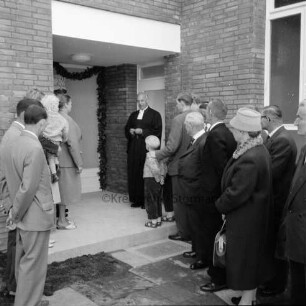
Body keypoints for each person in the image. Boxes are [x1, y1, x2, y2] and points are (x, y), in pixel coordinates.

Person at [215, 108, 274, 306]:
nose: (232, 132)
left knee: (246, 260)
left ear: (243, 132)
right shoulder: (255, 150)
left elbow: (236, 193)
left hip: (247, 218)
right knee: (251, 258)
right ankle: (251, 297)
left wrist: (220, 206)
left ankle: (247, 301)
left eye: (234, 129)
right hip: (251, 216)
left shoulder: (251, 156)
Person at [2, 105, 54, 306]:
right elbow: (28, 187)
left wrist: (14, 212)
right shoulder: (34, 147)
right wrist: (14, 213)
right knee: (34, 265)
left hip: (23, 215)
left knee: (23, 263)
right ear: (41, 123)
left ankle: (26, 300)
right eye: (45, 124)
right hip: (34, 216)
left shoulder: (14, 142)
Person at [195, 99, 236, 285]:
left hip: (213, 196)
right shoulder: (225, 132)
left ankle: (217, 277)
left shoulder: (216, 134)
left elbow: (221, 168)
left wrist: (218, 197)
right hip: (216, 194)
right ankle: (210, 265)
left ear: (210, 111)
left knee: (213, 234)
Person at [259, 105, 297, 297]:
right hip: (273, 200)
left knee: (276, 246)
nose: (260, 121)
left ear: (268, 119)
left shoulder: (282, 140)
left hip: (277, 202)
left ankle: (277, 285)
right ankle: (271, 280)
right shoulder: (275, 137)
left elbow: (270, 172)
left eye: (261, 117)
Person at [149, 92, 193, 242]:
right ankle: (191, 231)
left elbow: (172, 146)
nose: (176, 105)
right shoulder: (199, 117)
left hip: (178, 166)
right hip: (194, 167)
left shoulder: (179, 119)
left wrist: (156, 155)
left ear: (182, 103)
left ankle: (182, 232)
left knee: (179, 202)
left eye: (177, 103)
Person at [277, 100, 306, 305]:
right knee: (297, 286)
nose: (295, 121)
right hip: (296, 233)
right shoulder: (304, 148)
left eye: (300, 117)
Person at [177, 112, 208, 269]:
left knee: (198, 225)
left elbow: (204, 169)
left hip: (196, 192)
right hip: (190, 190)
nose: (185, 129)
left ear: (191, 126)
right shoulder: (196, 140)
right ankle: (196, 250)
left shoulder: (204, 141)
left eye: (186, 126)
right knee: (193, 224)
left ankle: (202, 257)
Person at [125, 92, 162, 208]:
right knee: (134, 172)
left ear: (147, 100)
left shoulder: (155, 114)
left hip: (145, 148)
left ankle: (146, 201)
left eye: (142, 101)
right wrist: (130, 131)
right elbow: (126, 128)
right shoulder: (133, 114)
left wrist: (143, 132)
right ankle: (136, 199)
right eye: (138, 101)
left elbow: (157, 132)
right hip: (133, 148)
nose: (140, 103)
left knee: (145, 174)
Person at [57, 94, 83, 230]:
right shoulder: (66, 119)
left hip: (59, 160)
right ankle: (62, 221)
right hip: (66, 161)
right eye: (71, 103)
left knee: (61, 192)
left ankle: (62, 218)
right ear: (66, 104)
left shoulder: (55, 117)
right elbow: (72, 143)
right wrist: (79, 163)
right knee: (64, 193)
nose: (71, 106)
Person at [40, 94, 69, 183]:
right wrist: (63, 139)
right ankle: (57, 165)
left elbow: (40, 130)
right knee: (55, 157)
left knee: (50, 159)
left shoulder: (44, 118)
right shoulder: (62, 119)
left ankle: (53, 174)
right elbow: (65, 132)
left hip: (47, 141)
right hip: (57, 141)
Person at [143, 135, 167, 228]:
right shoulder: (159, 155)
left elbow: (154, 169)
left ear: (148, 146)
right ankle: (158, 219)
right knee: (157, 199)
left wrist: (158, 178)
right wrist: (162, 177)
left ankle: (153, 222)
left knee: (150, 200)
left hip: (150, 179)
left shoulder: (149, 156)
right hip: (158, 179)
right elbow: (164, 167)